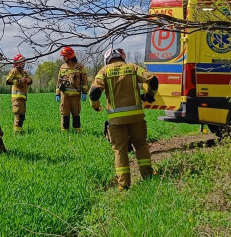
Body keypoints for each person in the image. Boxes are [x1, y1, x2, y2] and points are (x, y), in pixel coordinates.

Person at [88, 47, 159, 190]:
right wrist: (150, 95)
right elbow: (153, 80)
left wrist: (95, 105)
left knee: (119, 150)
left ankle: (124, 184)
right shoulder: (133, 68)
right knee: (140, 145)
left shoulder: (104, 71)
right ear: (122, 57)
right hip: (136, 117)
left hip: (116, 120)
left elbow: (94, 92)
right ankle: (148, 176)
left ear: (107, 59)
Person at [56, 46, 88, 132]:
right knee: (64, 114)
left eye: (65, 56)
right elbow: (59, 81)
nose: (63, 58)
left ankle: (77, 131)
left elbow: (84, 80)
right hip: (64, 95)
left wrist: (84, 92)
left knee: (76, 114)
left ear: (70, 56)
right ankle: (64, 131)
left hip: (76, 95)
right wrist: (58, 93)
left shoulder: (79, 67)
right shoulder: (62, 67)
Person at [4, 54, 33, 134]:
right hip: (16, 98)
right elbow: (8, 81)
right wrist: (19, 81)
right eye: (21, 62)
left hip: (23, 97)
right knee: (18, 116)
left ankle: (19, 131)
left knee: (22, 116)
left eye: (23, 62)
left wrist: (28, 80)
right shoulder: (14, 71)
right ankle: (17, 133)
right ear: (16, 63)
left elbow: (30, 80)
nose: (23, 63)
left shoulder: (23, 72)